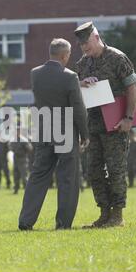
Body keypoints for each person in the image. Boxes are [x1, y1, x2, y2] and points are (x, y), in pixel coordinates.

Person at [18, 38, 89, 230]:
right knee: (67, 178)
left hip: (44, 130)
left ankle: (26, 221)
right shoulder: (70, 76)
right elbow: (78, 107)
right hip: (65, 130)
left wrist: (78, 83)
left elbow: (52, 88)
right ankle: (63, 223)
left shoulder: (35, 74)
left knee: (38, 176)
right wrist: (85, 133)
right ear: (65, 55)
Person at [74, 22, 136, 228]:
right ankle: (104, 213)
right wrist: (81, 84)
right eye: (81, 45)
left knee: (115, 169)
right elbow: (76, 92)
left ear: (96, 37)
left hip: (116, 125)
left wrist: (129, 118)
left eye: (87, 43)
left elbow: (133, 87)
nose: (85, 48)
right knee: (93, 171)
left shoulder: (117, 58)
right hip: (93, 126)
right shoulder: (83, 64)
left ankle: (117, 215)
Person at [9, 130, 32, 195]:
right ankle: (16, 190)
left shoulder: (24, 140)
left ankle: (28, 191)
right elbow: (10, 147)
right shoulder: (14, 140)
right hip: (16, 160)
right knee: (16, 176)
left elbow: (30, 148)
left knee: (24, 176)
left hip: (23, 160)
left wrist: (23, 151)